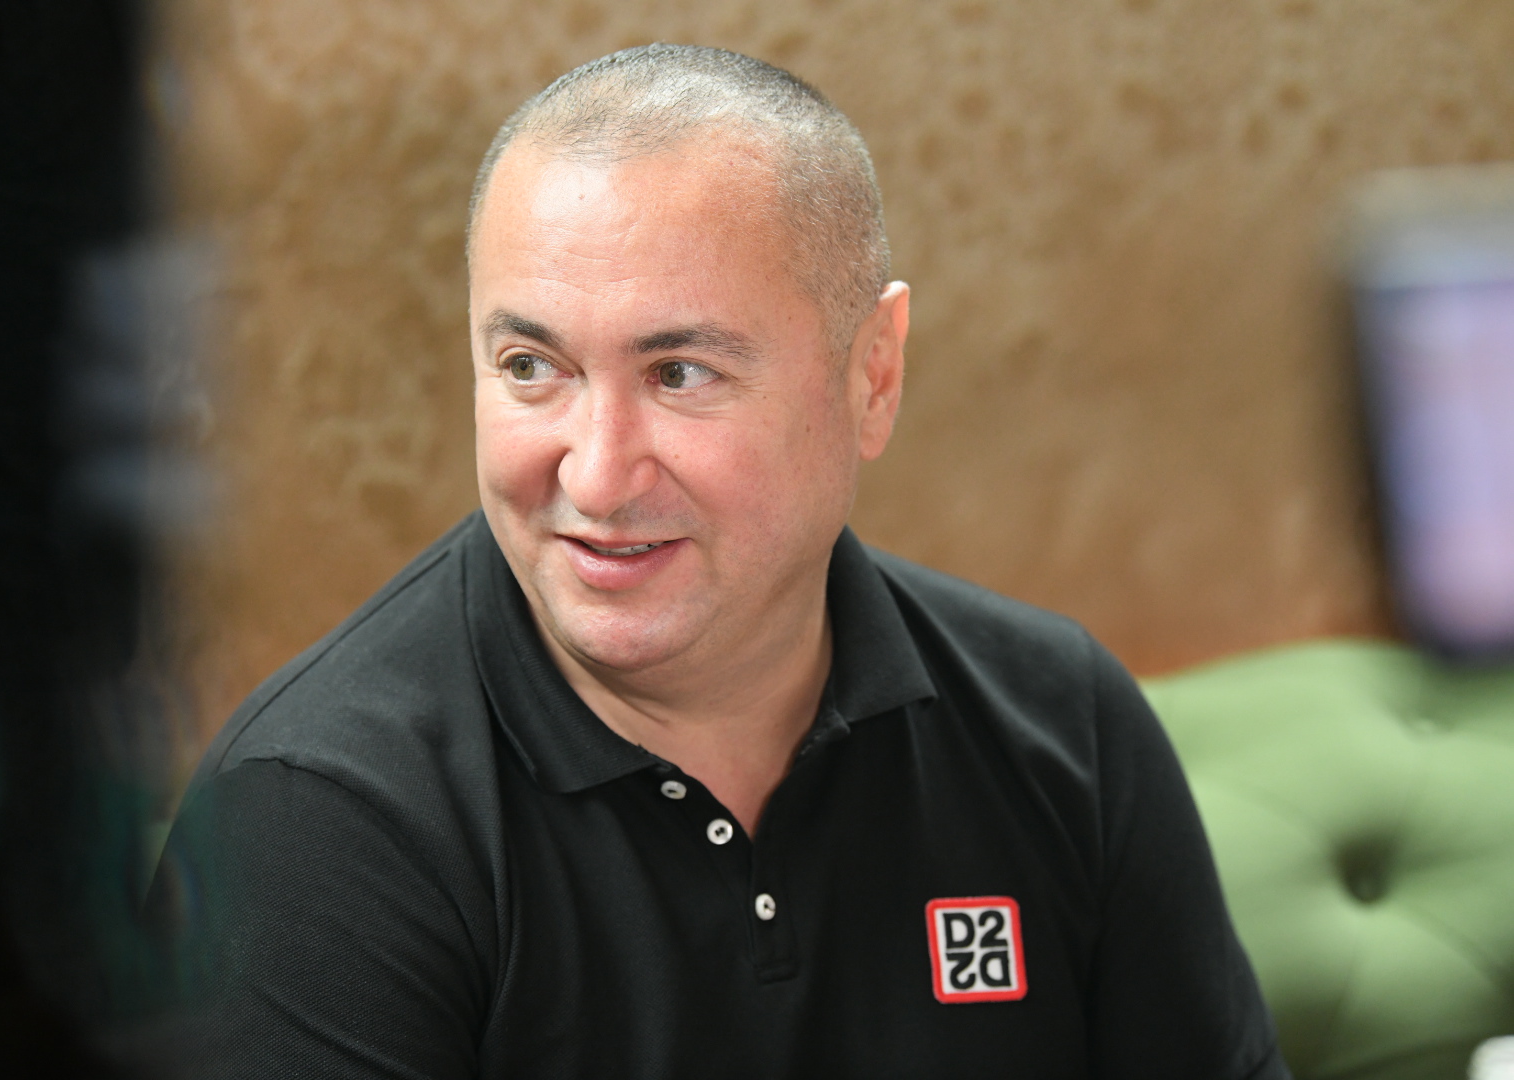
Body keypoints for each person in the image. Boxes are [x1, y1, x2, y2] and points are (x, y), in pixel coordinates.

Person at [150, 44, 1289, 1079]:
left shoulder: (1063, 723)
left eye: (680, 374)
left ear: (872, 376)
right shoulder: (311, 826)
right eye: (533, 367)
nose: (597, 476)